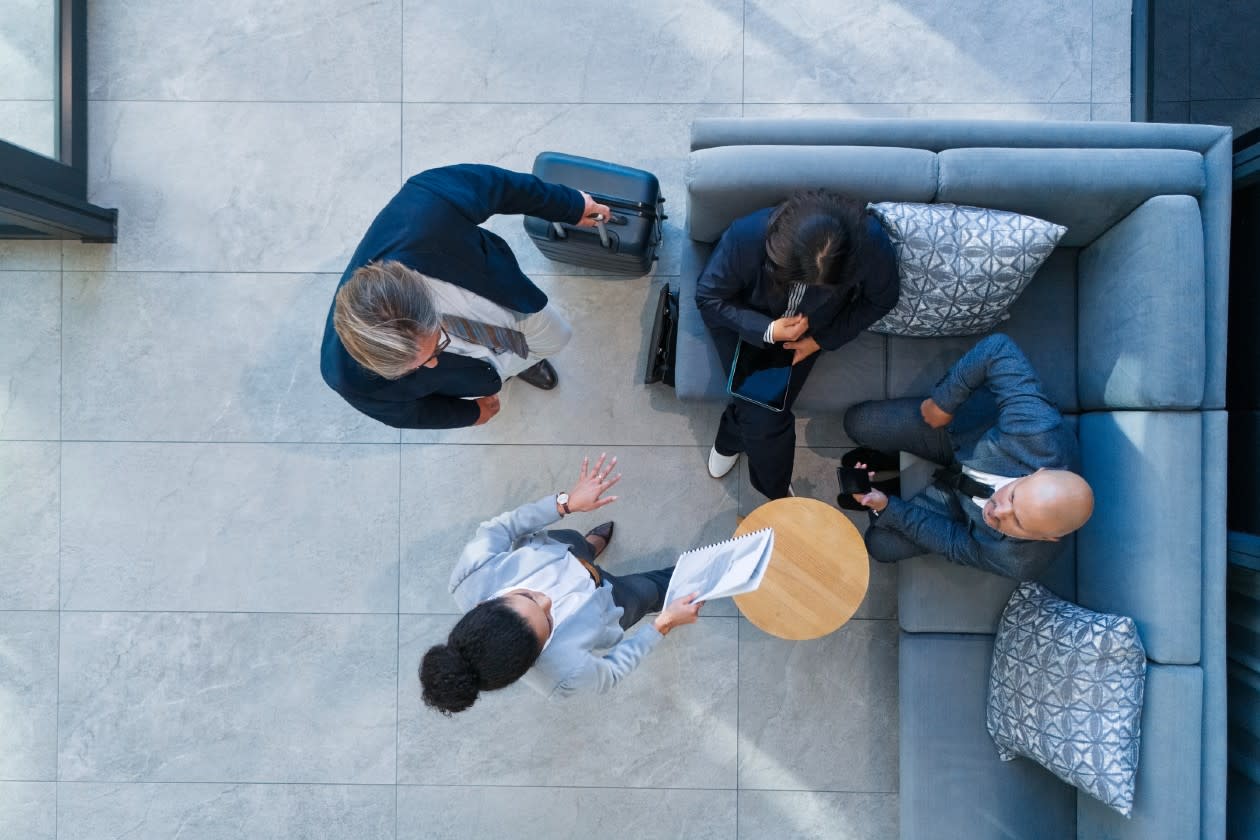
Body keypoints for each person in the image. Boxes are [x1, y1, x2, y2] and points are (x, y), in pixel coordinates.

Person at [320, 164, 613, 429]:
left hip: (506, 300)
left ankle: (525, 358)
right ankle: (513, 367)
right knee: (505, 366)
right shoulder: (346, 377)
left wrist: (568, 205)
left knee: (556, 338)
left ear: (426, 304)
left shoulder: (425, 209)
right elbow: (407, 414)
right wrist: (469, 414)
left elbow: (499, 186)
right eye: (416, 367)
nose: (432, 366)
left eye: (436, 347)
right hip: (469, 372)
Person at [419, 454, 703, 714]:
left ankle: (588, 548)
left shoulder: (471, 572)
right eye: (549, 621)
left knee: (576, 542)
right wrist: (663, 624)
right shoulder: (562, 676)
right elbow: (612, 671)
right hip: (612, 602)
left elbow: (503, 528)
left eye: (529, 597)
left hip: (562, 548)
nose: (547, 601)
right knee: (651, 590)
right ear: (531, 663)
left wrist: (564, 503)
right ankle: (689, 580)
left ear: (485, 603)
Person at [696, 189, 899, 499]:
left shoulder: (869, 242)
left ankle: (732, 438)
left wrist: (819, 341)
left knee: (758, 411)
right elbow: (708, 297)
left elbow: (883, 298)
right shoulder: (746, 236)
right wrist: (767, 330)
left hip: (808, 335)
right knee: (764, 415)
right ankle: (776, 493)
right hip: (743, 321)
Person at [843, 333, 1094, 580]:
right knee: (858, 423)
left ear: (1046, 539)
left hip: (957, 504)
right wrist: (943, 403)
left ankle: (887, 487)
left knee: (880, 545)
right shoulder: (1038, 431)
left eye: (1017, 522)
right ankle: (888, 463)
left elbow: (954, 543)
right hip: (960, 434)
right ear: (1038, 473)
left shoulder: (1020, 562)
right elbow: (998, 349)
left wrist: (887, 506)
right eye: (1014, 496)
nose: (997, 512)